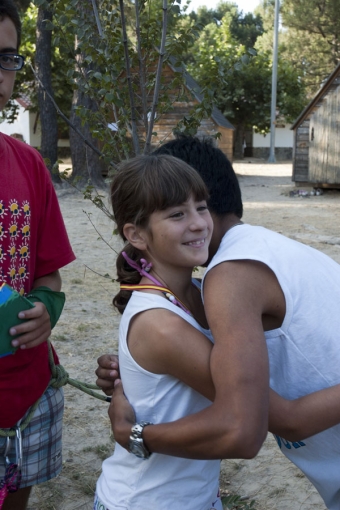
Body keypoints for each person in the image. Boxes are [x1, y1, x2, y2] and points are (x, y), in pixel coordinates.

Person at [97, 136, 340, 510]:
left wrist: (137, 420)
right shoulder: (174, 314)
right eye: (177, 214)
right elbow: (245, 424)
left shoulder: (207, 289)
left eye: (201, 207)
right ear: (136, 234)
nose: (197, 224)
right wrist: (136, 415)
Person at [0, 1, 76, 508]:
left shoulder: (28, 165)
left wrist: (44, 314)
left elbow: (48, 280)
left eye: (6, 57)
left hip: (26, 395)